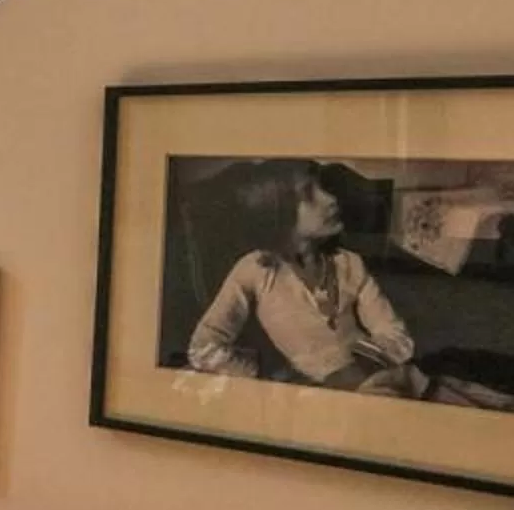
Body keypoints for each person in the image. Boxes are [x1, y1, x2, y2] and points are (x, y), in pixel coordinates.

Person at [184, 162, 430, 398]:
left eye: (321, 187)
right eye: (309, 193)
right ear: (278, 210)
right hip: (319, 400)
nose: (331, 199)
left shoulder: (349, 263)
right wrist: (263, 376)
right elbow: (203, 348)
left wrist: (356, 369)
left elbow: (396, 335)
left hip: (384, 378)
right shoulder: (255, 270)